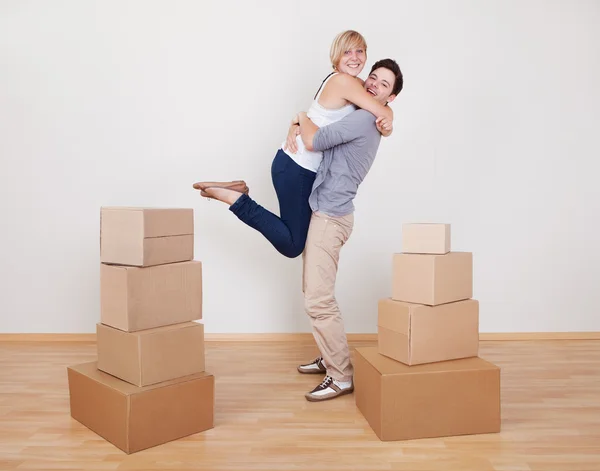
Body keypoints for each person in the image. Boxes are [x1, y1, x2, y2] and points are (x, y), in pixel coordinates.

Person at [192, 30, 394, 258]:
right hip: (297, 167)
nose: (354, 57)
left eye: (360, 51)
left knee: (298, 238)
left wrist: (299, 118)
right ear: (336, 55)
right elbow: (382, 111)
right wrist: (389, 123)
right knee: (293, 245)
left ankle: (236, 187)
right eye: (347, 51)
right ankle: (236, 200)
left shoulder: (356, 84)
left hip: (295, 165)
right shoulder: (344, 81)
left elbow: (377, 113)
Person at [293, 59, 404, 402]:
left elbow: (315, 140)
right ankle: (330, 356)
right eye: (372, 77)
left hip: (330, 217)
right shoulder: (366, 115)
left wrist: (299, 116)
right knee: (314, 291)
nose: (373, 84)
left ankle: (340, 375)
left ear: (391, 97)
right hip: (328, 213)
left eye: (384, 84)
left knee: (318, 298)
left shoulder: (363, 119)